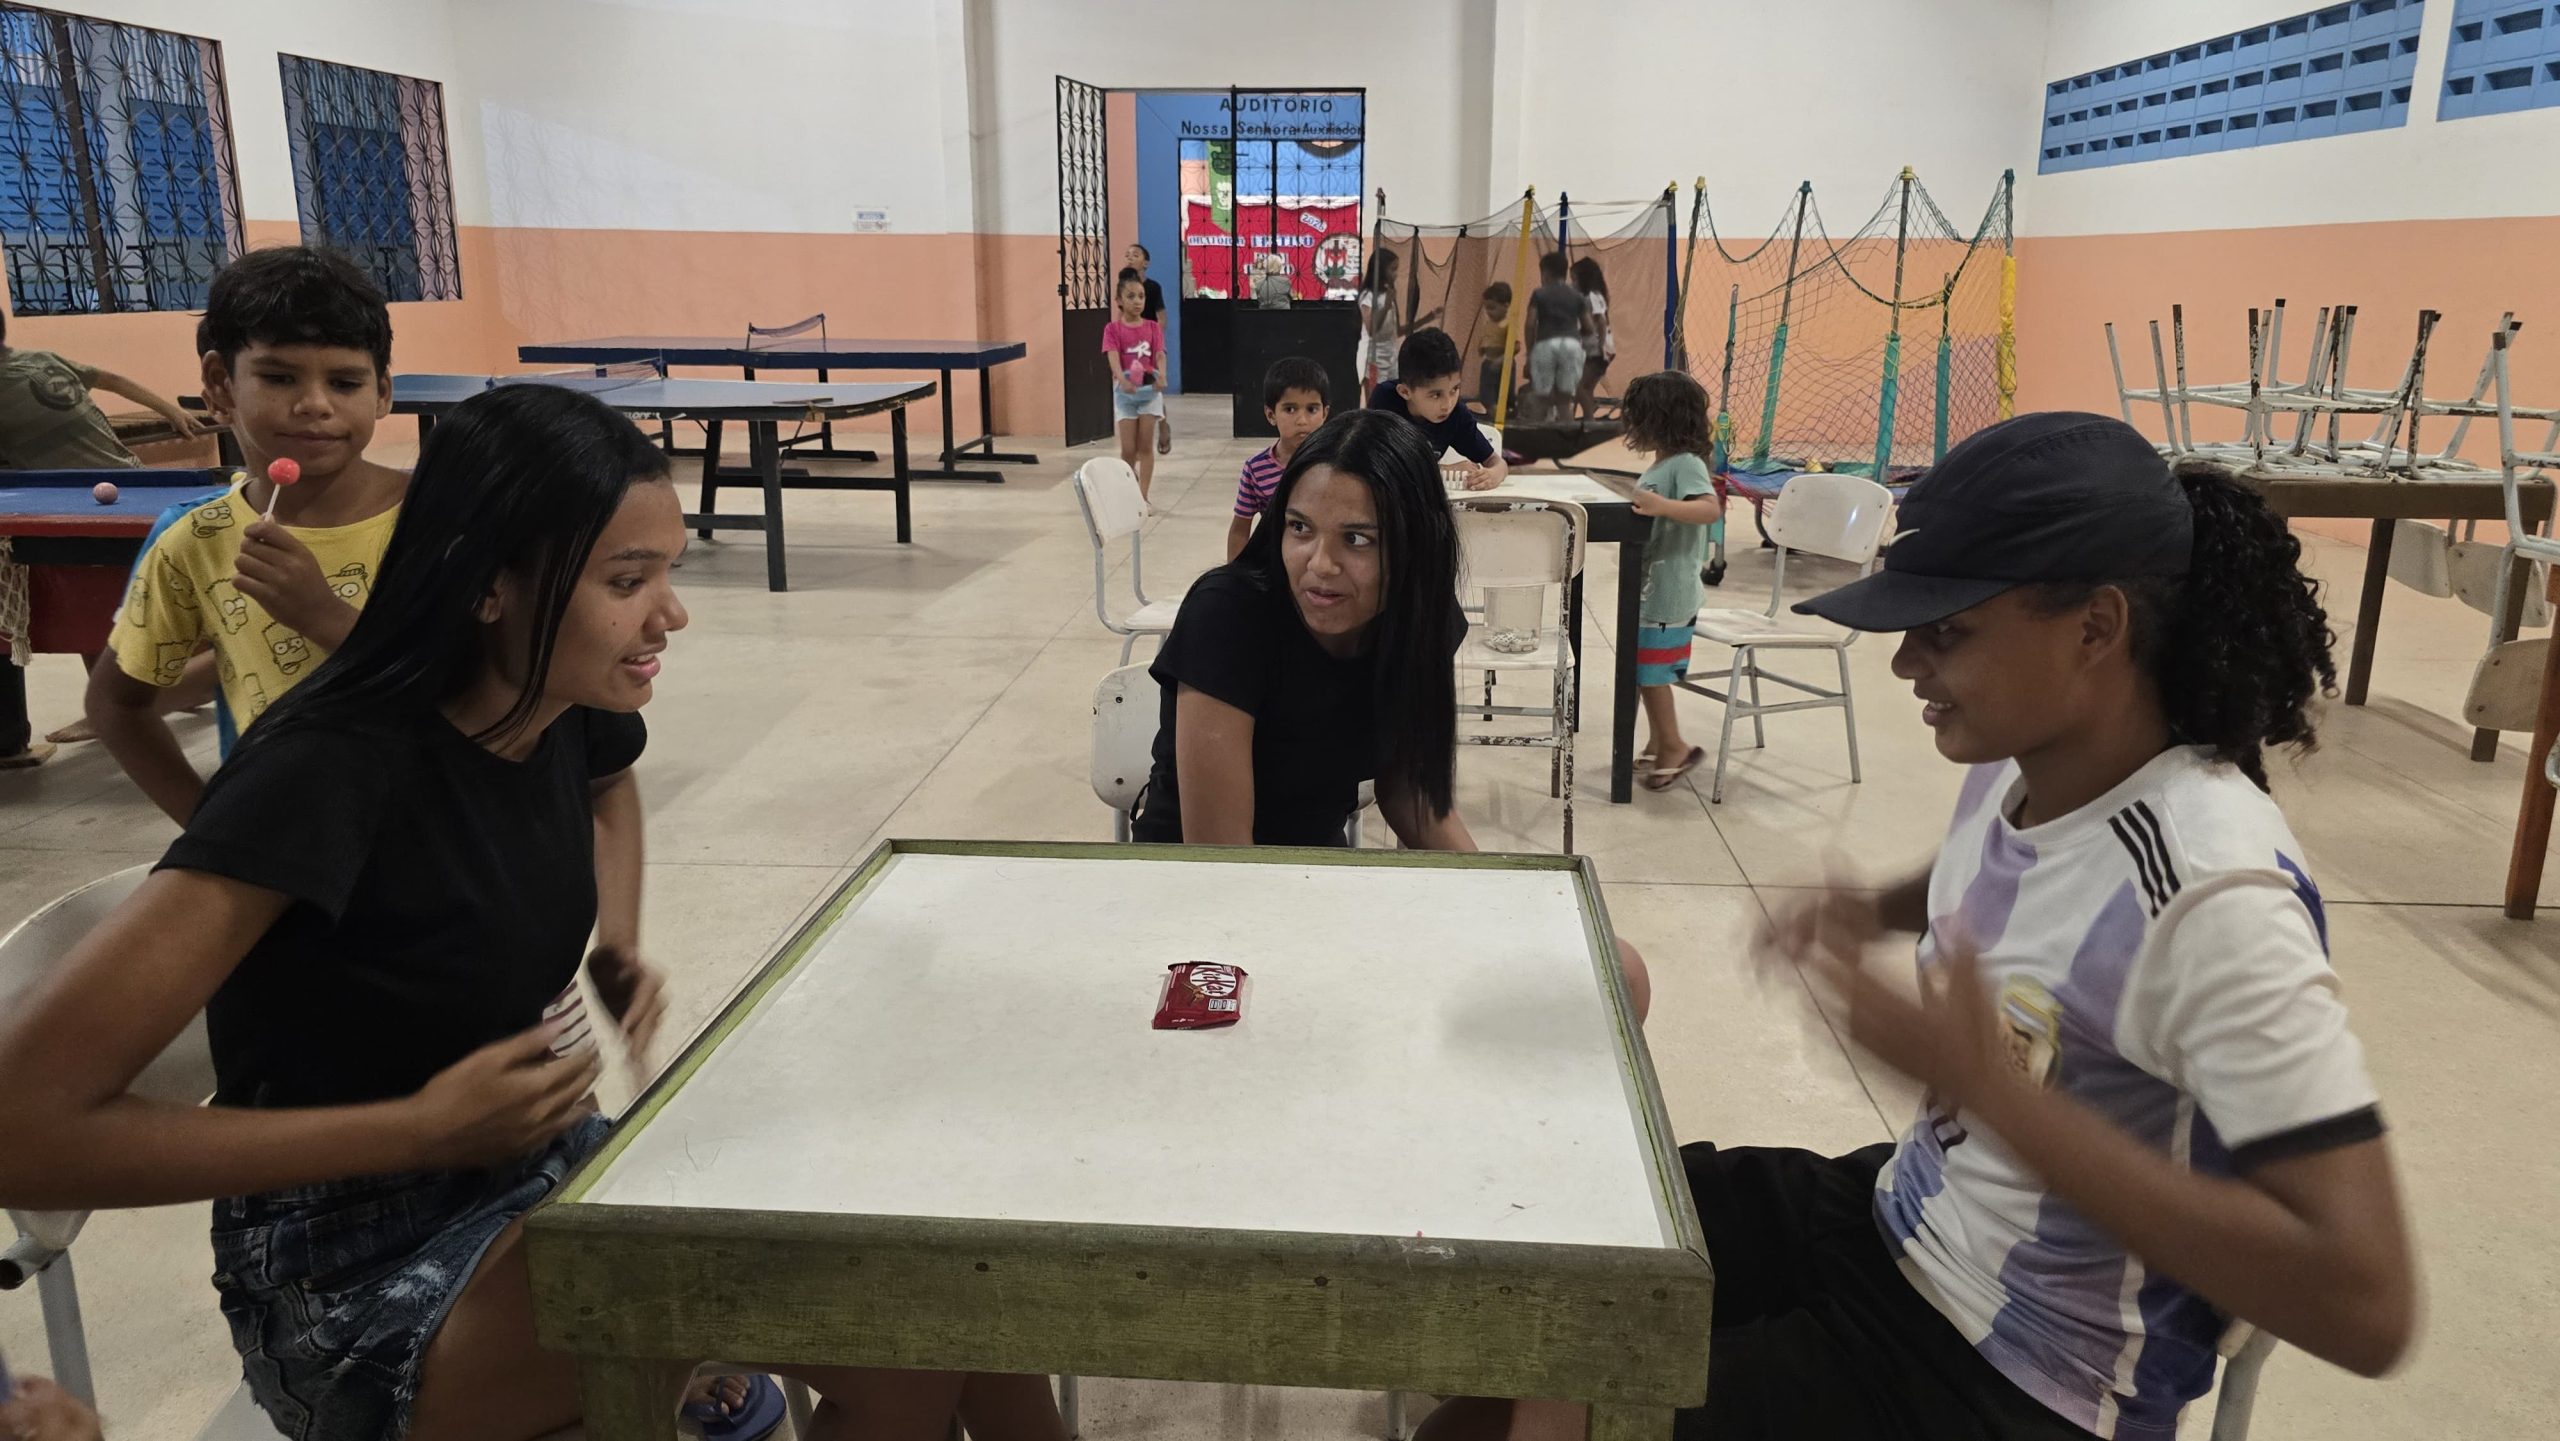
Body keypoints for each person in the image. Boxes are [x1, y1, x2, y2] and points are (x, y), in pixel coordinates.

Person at [0, 385, 1070, 1441]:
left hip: (539, 1171)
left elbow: (610, 789)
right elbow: (25, 1130)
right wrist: (417, 1126)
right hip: (350, 1275)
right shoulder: (325, 773)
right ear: (487, 587)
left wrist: (619, 942)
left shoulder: (554, 707)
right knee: (897, 1312)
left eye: (668, 573)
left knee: (943, 1271)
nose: (671, 614)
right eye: (627, 580)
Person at [1420, 413, 2415, 1441]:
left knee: (1549, 1399)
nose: (1905, 665)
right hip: (1905, 1220)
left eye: (1948, 631)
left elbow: (2367, 1304)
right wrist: (1876, 908)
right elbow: (2027, 869)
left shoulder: (2214, 896)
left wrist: (1996, 1091)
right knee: (1546, 1256)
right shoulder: (2028, 757)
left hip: (2021, 1374)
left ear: (2095, 628)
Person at [1134, 409, 1646, 1014]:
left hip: (1316, 875)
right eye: (1299, 528)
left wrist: (1498, 895)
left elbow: (1409, 792)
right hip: (1197, 900)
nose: (1319, 564)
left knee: (1619, 976)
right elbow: (1223, 860)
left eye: (1358, 539)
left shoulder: (1420, 618)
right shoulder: (1229, 616)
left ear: (1413, 545)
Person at [84, 246, 408, 824]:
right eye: (279, 377)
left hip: (443, 835)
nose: (315, 405)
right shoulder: (196, 540)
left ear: (381, 392)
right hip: (284, 837)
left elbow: (481, 683)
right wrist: (213, 830)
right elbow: (115, 703)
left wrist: (323, 615)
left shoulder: (440, 515)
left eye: (344, 382)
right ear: (220, 383)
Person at [0, 306, 211, 766]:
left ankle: (124, 702)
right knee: (148, 589)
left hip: (75, 500)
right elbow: (113, 379)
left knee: (91, 598)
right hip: (137, 481)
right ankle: (190, 676)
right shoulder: (43, 359)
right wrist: (170, 410)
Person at [1617, 371, 1723, 791]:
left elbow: (1709, 510)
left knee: (1651, 673)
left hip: (1669, 591)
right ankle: (1658, 741)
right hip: (1653, 588)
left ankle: (1675, 746)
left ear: (1660, 420)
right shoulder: (1665, 463)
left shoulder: (1686, 464)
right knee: (1645, 668)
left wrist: (1662, 505)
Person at [1366, 328, 1506, 491]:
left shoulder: (1456, 415)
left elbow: (1497, 462)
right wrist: (1443, 471)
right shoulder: (1385, 401)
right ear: (1405, 392)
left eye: (1454, 389)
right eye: (1436, 395)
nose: (1448, 404)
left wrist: (1493, 474)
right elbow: (1376, 466)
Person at [1228, 355, 1329, 562]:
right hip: (1274, 564)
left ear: (1325, 413)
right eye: (1290, 409)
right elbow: (1240, 529)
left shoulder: (1336, 463)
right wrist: (1233, 576)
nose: (1302, 420)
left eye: (1312, 409)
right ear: (1271, 415)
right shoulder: (1256, 469)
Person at [1102, 268, 1166, 507]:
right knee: (1128, 449)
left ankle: (1143, 498)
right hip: (1125, 395)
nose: (1137, 301)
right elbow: (1112, 356)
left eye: (1141, 296)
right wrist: (1122, 378)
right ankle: (1128, 490)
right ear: (1119, 300)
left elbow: (1159, 354)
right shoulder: (1112, 330)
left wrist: (1162, 376)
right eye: (1131, 296)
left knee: (1145, 445)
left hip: (1149, 394)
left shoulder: (1152, 327)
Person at [1522, 252, 1589, 425]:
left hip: (1545, 343)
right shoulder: (1577, 296)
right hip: (1571, 344)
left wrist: (1530, 352)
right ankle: (1567, 437)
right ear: (1565, 272)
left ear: (1545, 273)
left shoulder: (1539, 294)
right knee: (1564, 402)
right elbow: (1588, 326)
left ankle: (1534, 437)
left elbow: (1530, 323)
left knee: (1541, 398)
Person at [1120, 241, 1171, 455]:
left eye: (1136, 254)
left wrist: (1153, 342)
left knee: (1153, 388)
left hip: (1149, 346)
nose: (1130, 257)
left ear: (1146, 262)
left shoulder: (1153, 288)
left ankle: (1163, 425)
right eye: (1128, 254)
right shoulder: (1123, 286)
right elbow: (1121, 318)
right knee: (1132, 389)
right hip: (1129, 347)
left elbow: (1162, 319)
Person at [1570, 257, 1615, 419]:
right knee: (1585, 387)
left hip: (1598, 351)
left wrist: (1600, 346)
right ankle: (1585, 415)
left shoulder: (1592, 297)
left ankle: (1589, 417)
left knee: (1580, 387)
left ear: (1584, 280)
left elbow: (1601, 322)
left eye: (1574, 280)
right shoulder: (1592, 297)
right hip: (1597, 350)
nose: (1572, 284)